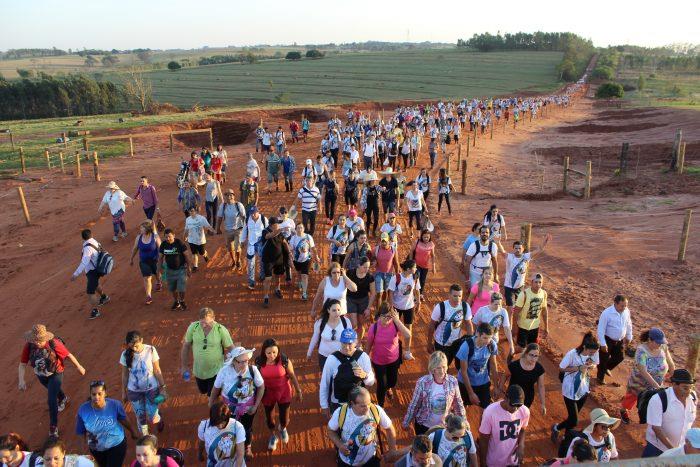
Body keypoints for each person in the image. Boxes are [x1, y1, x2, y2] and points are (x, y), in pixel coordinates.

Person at [19, 325, 86, 437]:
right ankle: (63, 398)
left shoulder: (53, 343)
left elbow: (68, 355)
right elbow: (22, 364)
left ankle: (53, 427)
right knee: (53, 390)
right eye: (35, 340)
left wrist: (79, 366)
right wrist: (21, 380)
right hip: (41, 375)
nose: (37, 343)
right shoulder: (29, 346)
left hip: (56, 373)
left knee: (51, 399)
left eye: (39, 340)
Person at [209, 347, 265, 461]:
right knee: (229, 428)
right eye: (241, 361)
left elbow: (261, 387)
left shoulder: (253, 370)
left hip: (248, 408)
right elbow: (216, 389)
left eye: (246, 361)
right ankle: (232, 449)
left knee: (247, 427)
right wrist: (211, 403)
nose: (244, 364)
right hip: (228, 409)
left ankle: (247, 446)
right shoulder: (224, 371)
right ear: (233, 361)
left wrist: (255, 405)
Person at [327, 387, 396, 467]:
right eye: (363, 406)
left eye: (369, 403)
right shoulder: (341, 413)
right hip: (347, 462)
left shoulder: (376, 410)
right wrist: (340, 445)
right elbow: (330, 430)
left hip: (371, 460)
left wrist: (392, 450)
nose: (367, 409)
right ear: (352, 403)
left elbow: (389, 428)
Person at [551, 332, 600, 443]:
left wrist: (591, 366)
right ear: (584, 347)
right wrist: (578, 368)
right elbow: (561, 368)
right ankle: (557, 428)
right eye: (590, 352)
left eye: (594, 352)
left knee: (572, 417)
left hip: (583, 389)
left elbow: (595, 364)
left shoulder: (594, 352)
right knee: (574, 420)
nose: (592, 354)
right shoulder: (572, 354)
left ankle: (566, 437)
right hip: (570, 390)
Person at [255, 339, 302, 451]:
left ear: (278, 351)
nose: (272, 355)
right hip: (267, 394)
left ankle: (283, 428)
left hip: (284, 392)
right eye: (269, 353)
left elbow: (292, 375)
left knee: (285, 419)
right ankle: (273, 436)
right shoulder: (259, 363)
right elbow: (256, 379)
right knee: (270, 419)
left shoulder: (284, 361)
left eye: (275, 352)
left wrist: (299, 391)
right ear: (264, 353)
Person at [620, 328, 675, 424]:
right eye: (658, 342)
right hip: (640, 382)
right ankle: (623, 410)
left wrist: (673, 374)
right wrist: (657, 387)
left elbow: (670, 363)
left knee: (651, 400)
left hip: (657, 382)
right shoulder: (641, 351)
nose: (660, 345)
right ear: (650, 340)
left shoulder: (662, 346)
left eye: (661, 342)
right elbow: (643, 372)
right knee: (631, 398)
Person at [76, 381, 137, 467]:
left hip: (116, 445)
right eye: (93, 394)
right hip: (96, 450)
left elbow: (123, 419)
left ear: (105, 393)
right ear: (90, 395)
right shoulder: (83, 410)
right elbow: (81, 432)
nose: (96, 397)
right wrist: (82, 454)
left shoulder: (115, 405)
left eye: (99, 394)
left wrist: (133, 431)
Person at [403, 351, 465, 435]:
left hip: (443, 426)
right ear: (432, 368)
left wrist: (464, 422)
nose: (442, 371)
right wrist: (407, 422)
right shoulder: (422, 382)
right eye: (438, 368)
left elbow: (458, 403)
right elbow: (414, 404)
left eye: (444, 367)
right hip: (424, 425)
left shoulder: (453, 381)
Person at [642, 368, 697, 457]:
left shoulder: (693, 397)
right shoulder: (658, 399)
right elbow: (656, 428)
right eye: (685, 388)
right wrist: (674, 451)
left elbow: (689, 423)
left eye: (691, 388)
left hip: (682, 449)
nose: (689, 391)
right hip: (657, 449)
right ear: (674, 384)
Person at [120, 331, 167, 436]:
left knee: (152, 416)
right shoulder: (125, 354)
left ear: (141, 340)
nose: (134, 349)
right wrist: (123, 391)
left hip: (151, 389)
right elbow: (125, 375)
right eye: (131, 346)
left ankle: (158, 418)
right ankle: (146, 437)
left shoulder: (150, 350)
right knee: (140, 416)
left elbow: (157, 369)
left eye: (136, 346)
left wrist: (163, 387)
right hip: (134, 391)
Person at [320, 329, 375, 417]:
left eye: (350, 343)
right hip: (338, 403)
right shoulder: (332, 359)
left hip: (358, 403)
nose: (346, 347)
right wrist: (324, 406)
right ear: (340, 342)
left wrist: (364, 375)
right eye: (344, 343)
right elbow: (324, 383)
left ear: (356, 342)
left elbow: (371, 382)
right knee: (339, 428)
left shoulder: (363, 357)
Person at [181, 307, 235, 397]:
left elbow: (231, 347)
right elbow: (186, 346)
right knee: (203, 391)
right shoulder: (193, 327)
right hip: (199, 371)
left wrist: (238, 363)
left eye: (208, 322)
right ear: (199, 320)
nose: (204, 325)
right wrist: (184, 366)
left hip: (217, 371)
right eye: (202, 323)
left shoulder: (220, 329)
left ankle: (216, 405)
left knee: (213, 396)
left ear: (214, 318)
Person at [365, 303, 411, 406]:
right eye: (384, 316)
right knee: (381, 385)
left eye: (389, 316)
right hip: (378, 362)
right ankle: (380, 406)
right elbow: (368, 345)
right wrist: (364, 358)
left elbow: (408, 335)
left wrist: (397, 320)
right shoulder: (374, 328)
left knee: (392, 381)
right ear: (379, 315)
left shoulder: (395, 324)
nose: (386, 319)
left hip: (393, 360)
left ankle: (388, 387)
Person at [478, 385, 529, 467]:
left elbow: (522, 429)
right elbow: (483, 439)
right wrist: (483, 464)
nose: (515, 409)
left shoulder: (524, 411)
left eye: (519, 405)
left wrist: (521, 445)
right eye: (513, 404)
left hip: (513, 462)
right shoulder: (490, 412)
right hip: (494, 463)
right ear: (506, 398)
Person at [503, 235, 550, 318]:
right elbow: (501, 250)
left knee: (519, 307)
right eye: (516, 248)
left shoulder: (526, 256)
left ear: (523, 249)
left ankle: (517, 323)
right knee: (510, 308)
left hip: (520, 287)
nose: (517, 250)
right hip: (508, 286)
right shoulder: (509, 256)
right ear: (513, 248)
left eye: (519, 248)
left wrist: (545, 242)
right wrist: (497, 242)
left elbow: (539, 249)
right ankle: (509, 325)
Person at [457, 322, 499, 409]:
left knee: (486, 408)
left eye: (490, 338)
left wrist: (496, 386)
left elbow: (493, 365)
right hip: (465, 383)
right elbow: (464, 372)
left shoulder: (491, 345)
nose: (487, 341)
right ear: (477, 334)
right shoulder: (466, 346)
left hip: (483, 382)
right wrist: (471, 393)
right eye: (485, 338)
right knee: (462, 407)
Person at [429, 284, 473, 367]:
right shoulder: (440, 307)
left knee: (457, 365)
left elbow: (468, 324)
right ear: (449, 295)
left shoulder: (465, 306)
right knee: (441, 366)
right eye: (455, 296)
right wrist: (429, 343)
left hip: (456, 342)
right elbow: (431, 325)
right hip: (441, 343)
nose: (457, 299)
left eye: (460, 296)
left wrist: (470, 342)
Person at [71, 229, 110, 319]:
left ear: (82, 238)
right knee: (95, 284)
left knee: (90, 292)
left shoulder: (87, 248)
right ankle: (104, 297)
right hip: (98, 269)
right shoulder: (95, 241)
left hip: (93, 271)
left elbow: (84, 262)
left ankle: (95, 310)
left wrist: (75, 274)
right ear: (91, 235)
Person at [387, 259, 421, 361]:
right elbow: (391, 293)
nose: (416, 269)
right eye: (414, 267)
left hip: (409, 307)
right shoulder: (396, 278)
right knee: (393, 328)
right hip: (396, 307)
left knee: (408, 328)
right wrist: (391, 306)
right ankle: (392, 348)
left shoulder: (415, 277)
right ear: (408, 269)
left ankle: (407, 351)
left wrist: (418, 302)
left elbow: (417, 290)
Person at [596, 294, 633, 385]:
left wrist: (629, 336)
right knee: (603, 358)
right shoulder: (606, 313)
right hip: (607, 339)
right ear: (615, 303)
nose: (624, 308)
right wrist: (603, 344)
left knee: (620, 357)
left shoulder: (626, 311)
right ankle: (600, 378)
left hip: (619, 340)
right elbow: (600, 329)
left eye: (625, 305)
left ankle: (604, 368)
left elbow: (628, 324)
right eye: (622, 305)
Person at [307, 299, 353, 371]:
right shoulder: (320, 322)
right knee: (327, 379)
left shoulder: (346, 322)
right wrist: (309, 353)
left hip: (341, 356)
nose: (337, 313)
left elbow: (351, 339)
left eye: (338, 310)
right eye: (334, 310)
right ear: (328, 310)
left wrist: (352, 353)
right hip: (324, 357)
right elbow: (315, 338)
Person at [197, 401, 246, 466]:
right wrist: (200, 454)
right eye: (217, 423)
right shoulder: (203, 426)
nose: (220, 426)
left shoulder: (237, 427)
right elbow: (201, 443)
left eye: (222, 423)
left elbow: (240, 454)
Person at [505, 343, 546, 413]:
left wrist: (543, 404)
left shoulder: (539, 369)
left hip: (527, 398)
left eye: (536, 356)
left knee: (520, 417)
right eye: (531, 355)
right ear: (526, 353)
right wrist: (499, 389)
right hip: (512, 395)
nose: (533, 358)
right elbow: (505, 376)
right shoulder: (515, 365)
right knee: (508, 414)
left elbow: (541, 386)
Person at [260, 217, 291, 307]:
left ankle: (277, 289)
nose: (279, 225)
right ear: (272, 225)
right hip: (268, 260)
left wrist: (289, 252)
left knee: (278, 276)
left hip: (279, 259)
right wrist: (280, 230)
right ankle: (266, 297)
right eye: (277, 224)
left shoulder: (279, 233)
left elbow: (284, 242)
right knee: (268, 279)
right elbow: (268, 236)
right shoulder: (265, 231)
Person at [513, 273, 548, 352]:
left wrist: (546, 327)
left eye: (540, 282)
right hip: (522, 327)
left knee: (531, 349)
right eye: (536, 282)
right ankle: (510, 359)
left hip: (535, 327)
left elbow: (544, 311)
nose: (538, 284)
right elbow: (516, 312)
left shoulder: (544, 294)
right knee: (519, 349)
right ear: (531, 282)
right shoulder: (524, 294)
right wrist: (514, 328)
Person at [344, 256, 376, 341]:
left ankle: (358, 343)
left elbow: (373, 293)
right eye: (365, 267)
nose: (367, 269)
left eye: (368, 267)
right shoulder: (350, 273)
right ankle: (352, 341)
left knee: (361, 324)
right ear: (358, 265)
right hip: (351, 300)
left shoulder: (370, 277)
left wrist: (368, 308)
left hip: (363, 301)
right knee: (354, 324)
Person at [129, 220, 161, 306]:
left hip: (155, 260)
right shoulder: (139, 237)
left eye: (142, 228)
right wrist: (131, 258)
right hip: (144, 261)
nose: (140, 230)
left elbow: (160, 248)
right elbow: (135, 248)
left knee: (157, 273)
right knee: (147, 278)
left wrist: (162, 259)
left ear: (147, 229)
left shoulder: (154, 236)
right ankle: (149, 296)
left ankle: (158, 282)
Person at [158, 228, 192, 311]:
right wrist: (160, 268)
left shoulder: (179, 243)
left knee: (181, 288)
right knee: (172, 288)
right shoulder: (163, 245)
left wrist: (189, 268)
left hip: (181, 269)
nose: (168, 239)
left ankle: (182, 301)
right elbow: (160, 258)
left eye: (169, 236)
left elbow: (187, 256)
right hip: (169, 270)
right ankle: (176, 301)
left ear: (174, 235)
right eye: (166, 237)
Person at [473, 292, 514, 356]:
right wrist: (475, 336)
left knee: (490, 359)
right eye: (496, 304)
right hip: (482, 340)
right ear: (490, 302)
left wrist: (511, 345)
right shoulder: (482, 310)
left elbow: (507, 328)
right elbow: (474, 323)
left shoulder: (503, 312)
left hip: (494, 340)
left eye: (499, 304)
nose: (498, 306)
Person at [217, 189, 247, 271]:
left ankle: (238, 261)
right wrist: (218, 228)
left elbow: (244, 217)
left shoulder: (239, 205)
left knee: (237, 248)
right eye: (227, 195)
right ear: (225, 197)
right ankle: (234, 261)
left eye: (231, 195)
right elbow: (219, 217)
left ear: (234, 196)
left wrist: (245, 230)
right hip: (228, 230)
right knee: (230, 248)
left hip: (238, 230)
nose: (229, 197)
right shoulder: (222, 206)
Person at [240, 206, 268, 290]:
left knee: (262, 261)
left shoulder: (264, 219)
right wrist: (242, 241)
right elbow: (245, 230)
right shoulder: (247, 219)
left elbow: (268, 230)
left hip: (261, 243)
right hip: (251, 243)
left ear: (258, 212)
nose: (253, 215)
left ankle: (262, 275)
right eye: (251, 213)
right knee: (250, 263)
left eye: (254, 213)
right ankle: (251, 282)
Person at [289, 223, 319, 301]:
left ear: (304, 229)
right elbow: (290, 249)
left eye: (301, 228)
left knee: (304, 275)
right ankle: (300, 282)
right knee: (299, 274)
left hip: (306, 259)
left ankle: (304, 293)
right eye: (298, 228)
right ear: (296, 229)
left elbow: (313, 248)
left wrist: (316, 257)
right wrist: (291, 255)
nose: (300, 229)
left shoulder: (308, 237)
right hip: (296, 260)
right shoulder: (293, 238)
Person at [183, 206, 214, 273]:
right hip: (191, 240)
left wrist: (214, 231)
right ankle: (195, 266)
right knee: (194, 253)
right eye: (190, 211)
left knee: (202, 252)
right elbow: (186, 228)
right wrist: (184, 235)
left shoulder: (201, 218)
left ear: (196, 211)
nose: (191, 212)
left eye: (192, 211)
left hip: (200, 240)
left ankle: (205, 254)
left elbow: (207, 226)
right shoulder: (188, 219)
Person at [410, 229, 436, 294]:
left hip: (425, 266)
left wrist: (434, 267)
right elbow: (411, 251)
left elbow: (433, 256)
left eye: (427, 237)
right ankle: (413, 293)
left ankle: (420, 294)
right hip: (416, 264)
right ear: (422, 236)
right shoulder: (417, 242)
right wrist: (411, 262)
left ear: (430, 237)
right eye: (424, 237)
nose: (426, 238)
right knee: (416, 278)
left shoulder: (431, 244)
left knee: (422, 280)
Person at [360, 173, 381, 237]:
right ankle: (367, 231)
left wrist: (384, 188)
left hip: (375, 205)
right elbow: (363, 198)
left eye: (374, 180)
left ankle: (374, 231)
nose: (374, 181)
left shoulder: (377, 187)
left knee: (376, 219)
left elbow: (382, 189)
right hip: (368, 205)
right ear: (370, 181)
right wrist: (363, 206)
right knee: (368, 219)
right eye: (373, 180)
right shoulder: (366, 188)